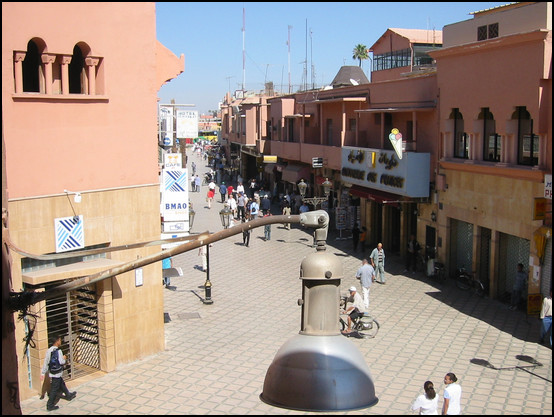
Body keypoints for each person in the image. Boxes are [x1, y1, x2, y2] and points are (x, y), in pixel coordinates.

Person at [41, 335, 76, 411]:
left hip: (52, 373)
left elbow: (46, 362)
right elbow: (61, 362)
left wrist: (43, 372)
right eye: (60, 340)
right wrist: (64, 358)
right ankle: (50, 405)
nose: (60, 341)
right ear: (57, 342)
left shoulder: (49, 350)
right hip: (57, 373)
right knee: (54, 389)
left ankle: (68, 395)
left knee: (61, 383)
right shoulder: (59, 351)